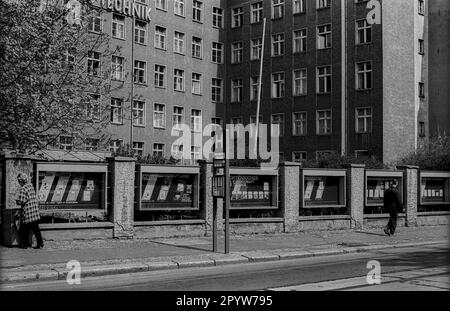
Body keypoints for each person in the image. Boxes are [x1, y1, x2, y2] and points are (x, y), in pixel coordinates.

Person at [16, 173, 44, 249]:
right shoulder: (30, 186)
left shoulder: (23, 189)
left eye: (19, 181)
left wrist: (17, 201)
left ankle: (24, 245)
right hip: (34, 211)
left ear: (21, 181)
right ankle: (40, 243)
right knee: (36, 229)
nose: (18, 183)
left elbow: (22, 201)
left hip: (28, 213)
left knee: (23, 230)